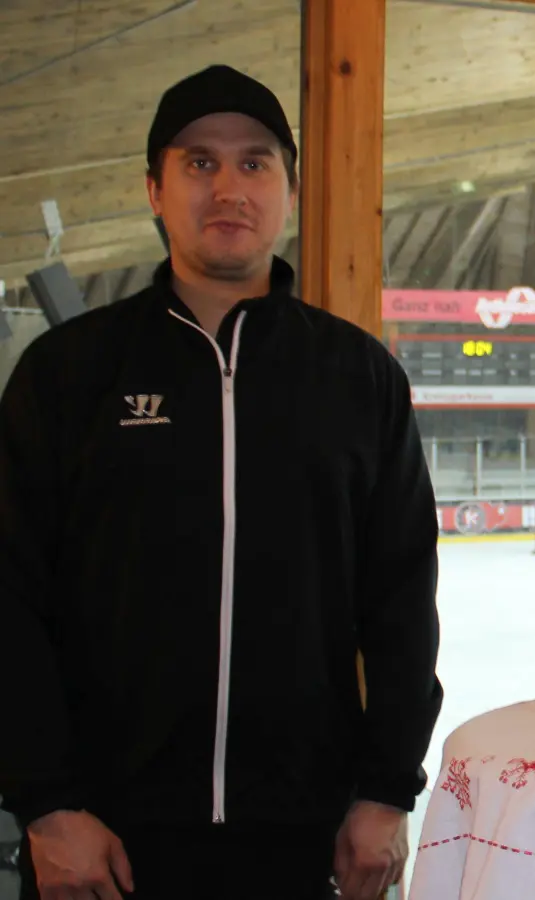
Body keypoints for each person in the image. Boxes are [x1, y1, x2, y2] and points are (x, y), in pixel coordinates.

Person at [0, 65, 444, 900]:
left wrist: (386, 790)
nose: (228, 186)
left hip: (302, 834)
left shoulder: (358, 377)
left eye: (255, 162)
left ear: (290, 190)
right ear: (154, 190)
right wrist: (48, 805)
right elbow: (10, 596)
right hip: (102, 843)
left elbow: (401, 603)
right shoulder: (68, 372)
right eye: (199, 162)